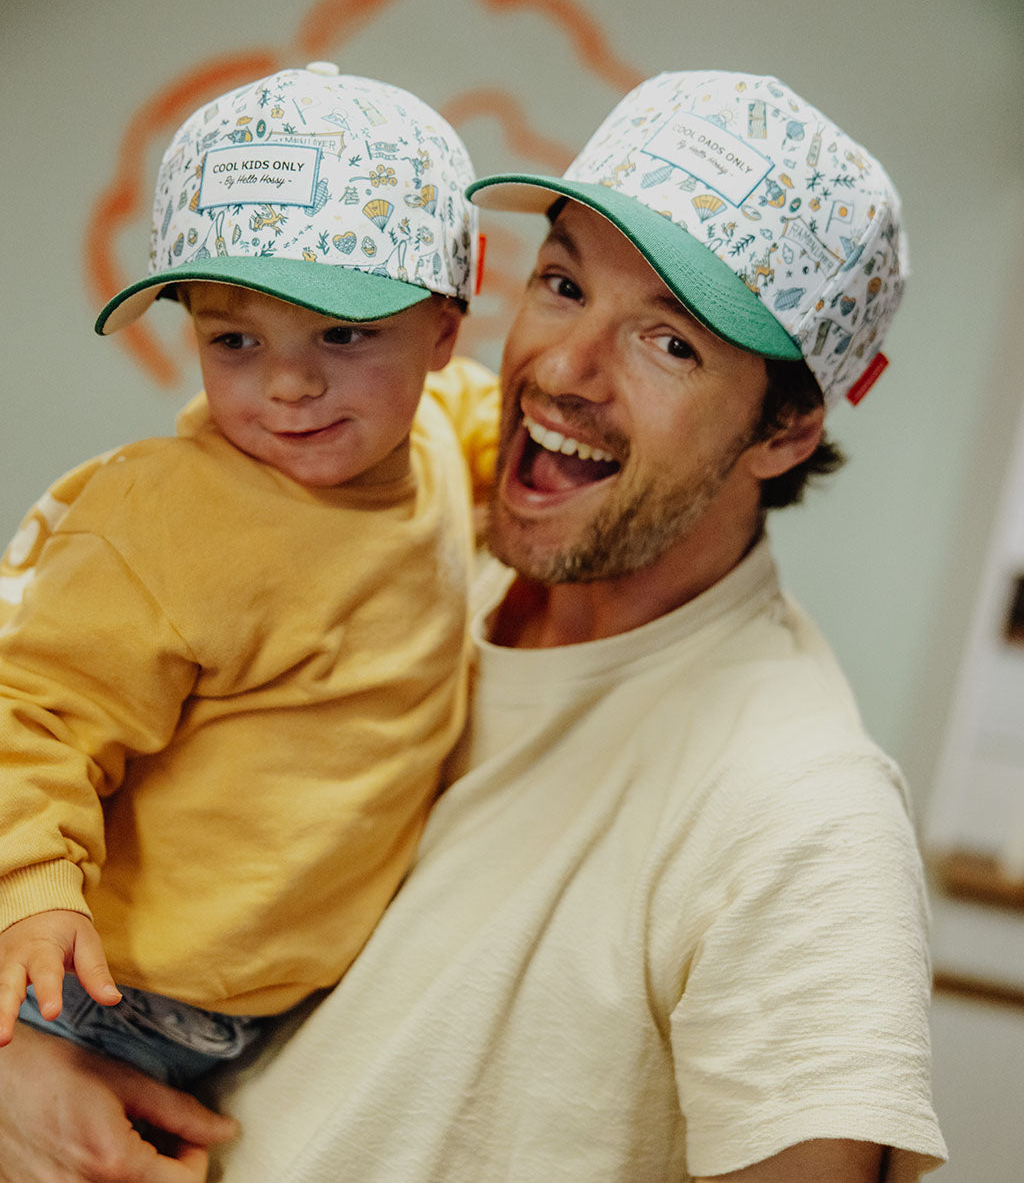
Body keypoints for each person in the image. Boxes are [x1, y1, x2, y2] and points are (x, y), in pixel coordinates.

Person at [0, 69, 947, 1182]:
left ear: (787, 429)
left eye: (670, 342)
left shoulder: (800, 814)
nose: (560, 369)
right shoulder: (432, 531)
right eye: (562, 283)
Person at [0, 62, 497, 1087]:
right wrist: (31, 885)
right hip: (105, 992)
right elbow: (30, 711)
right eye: (234, 338)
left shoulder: (442, 435)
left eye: (344, 331)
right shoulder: (166, 518)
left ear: (443, 333)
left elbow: (499, 424)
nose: (288, 381)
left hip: (274, 1004)